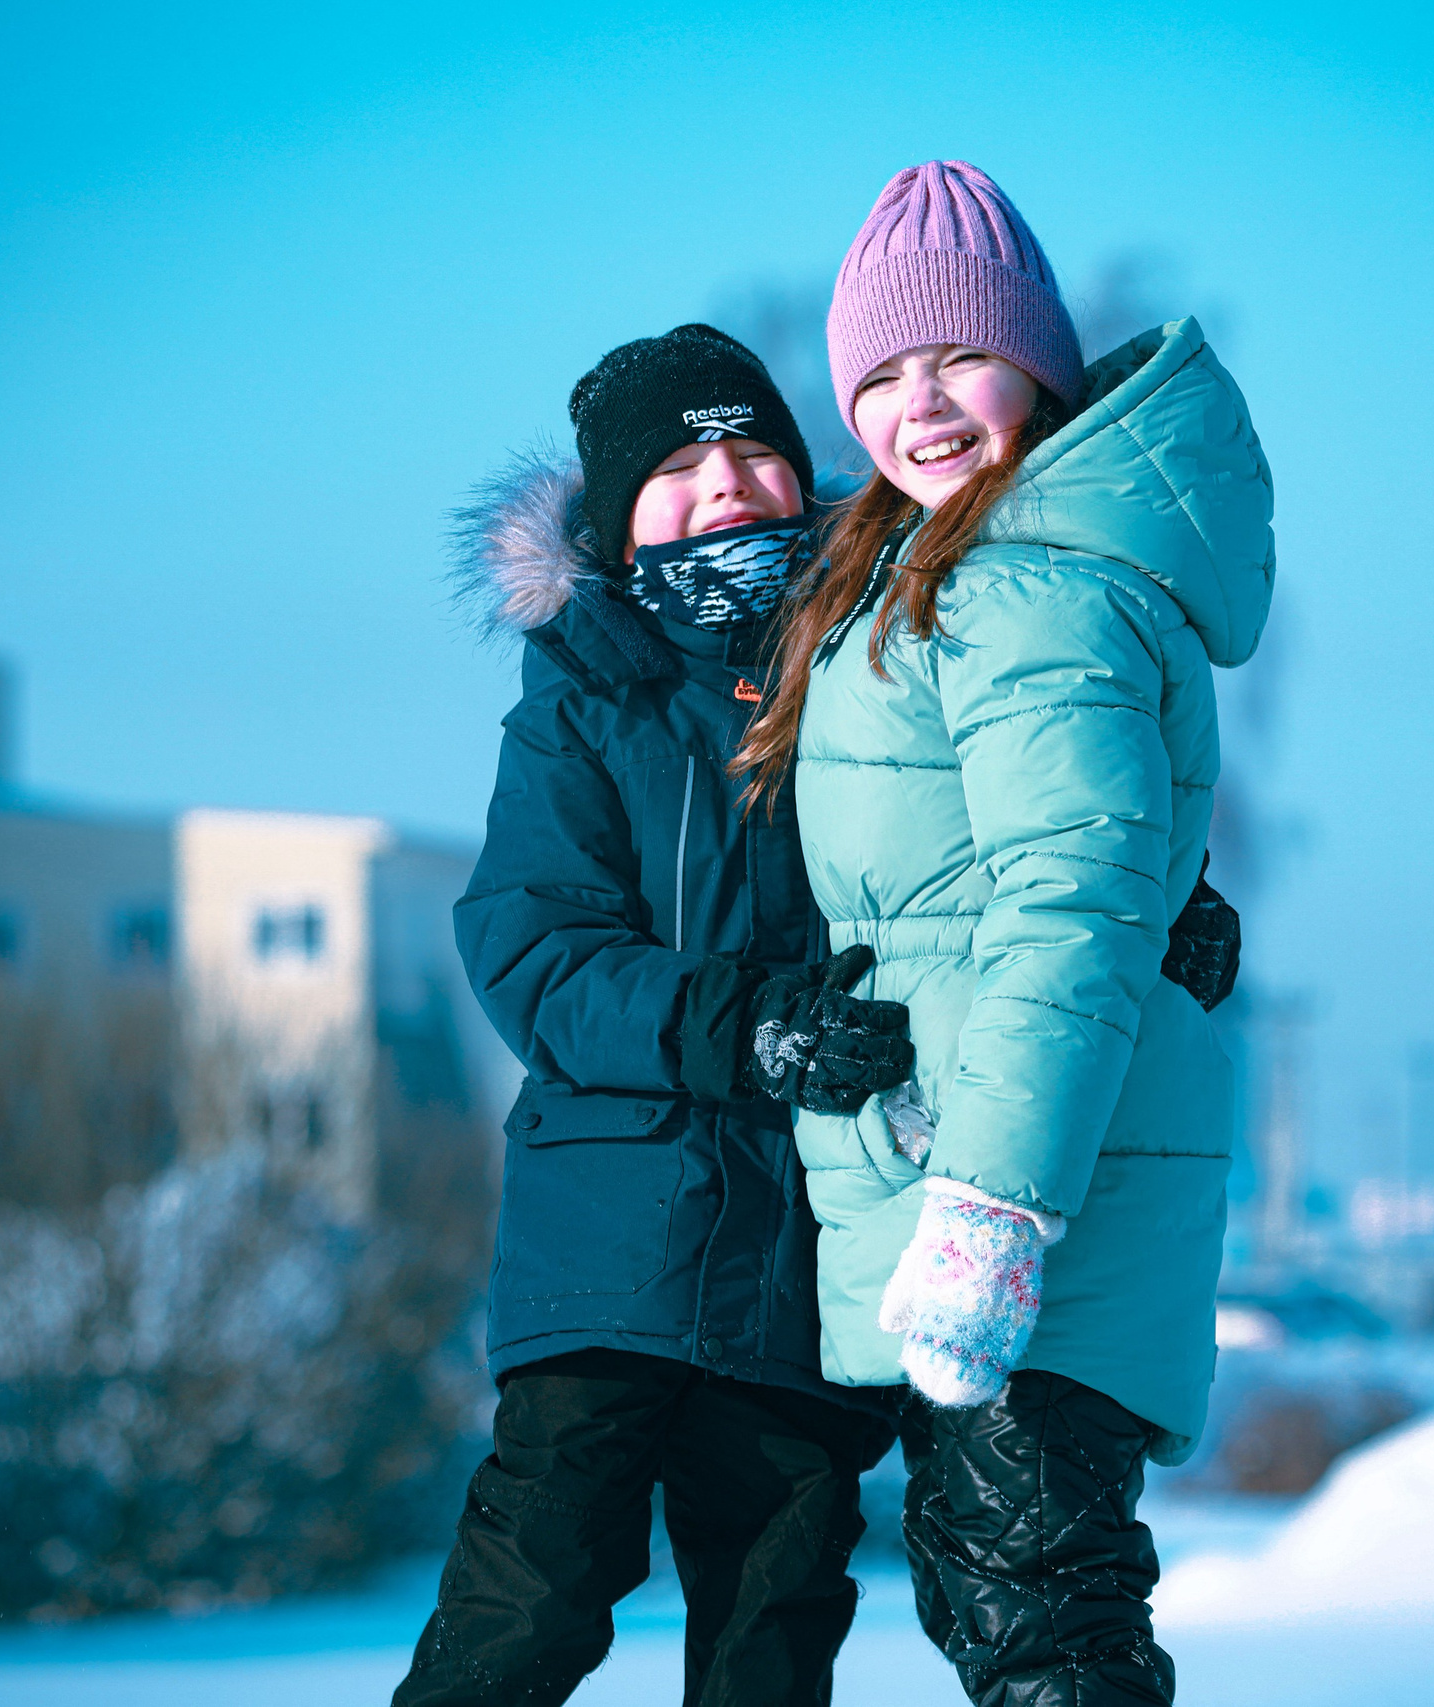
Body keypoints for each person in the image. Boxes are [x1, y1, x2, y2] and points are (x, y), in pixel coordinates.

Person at [732, 161, 1276, 1706]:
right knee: (1021, 1609)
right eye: (886, 375)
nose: (926, 405)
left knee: (1041, 1621)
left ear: (1033, 360)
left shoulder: (1023, 586)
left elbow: (1068, 902)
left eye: (959, 357)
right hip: (989, 1168)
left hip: (1026, 1203)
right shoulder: (927, 566)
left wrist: (990, 1209)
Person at [393, 323, 913, 1707]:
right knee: (535, 1601)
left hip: (805, 1259)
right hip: (610, 1254)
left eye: (752, 451)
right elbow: (535, 952)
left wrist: (1168, 901)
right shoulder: (579, 704)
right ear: (619, 519)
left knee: (773, 1631)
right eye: (682, 465)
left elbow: (1003, 843)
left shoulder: (882, 674)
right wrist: (739, 1028)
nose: (727, 482)